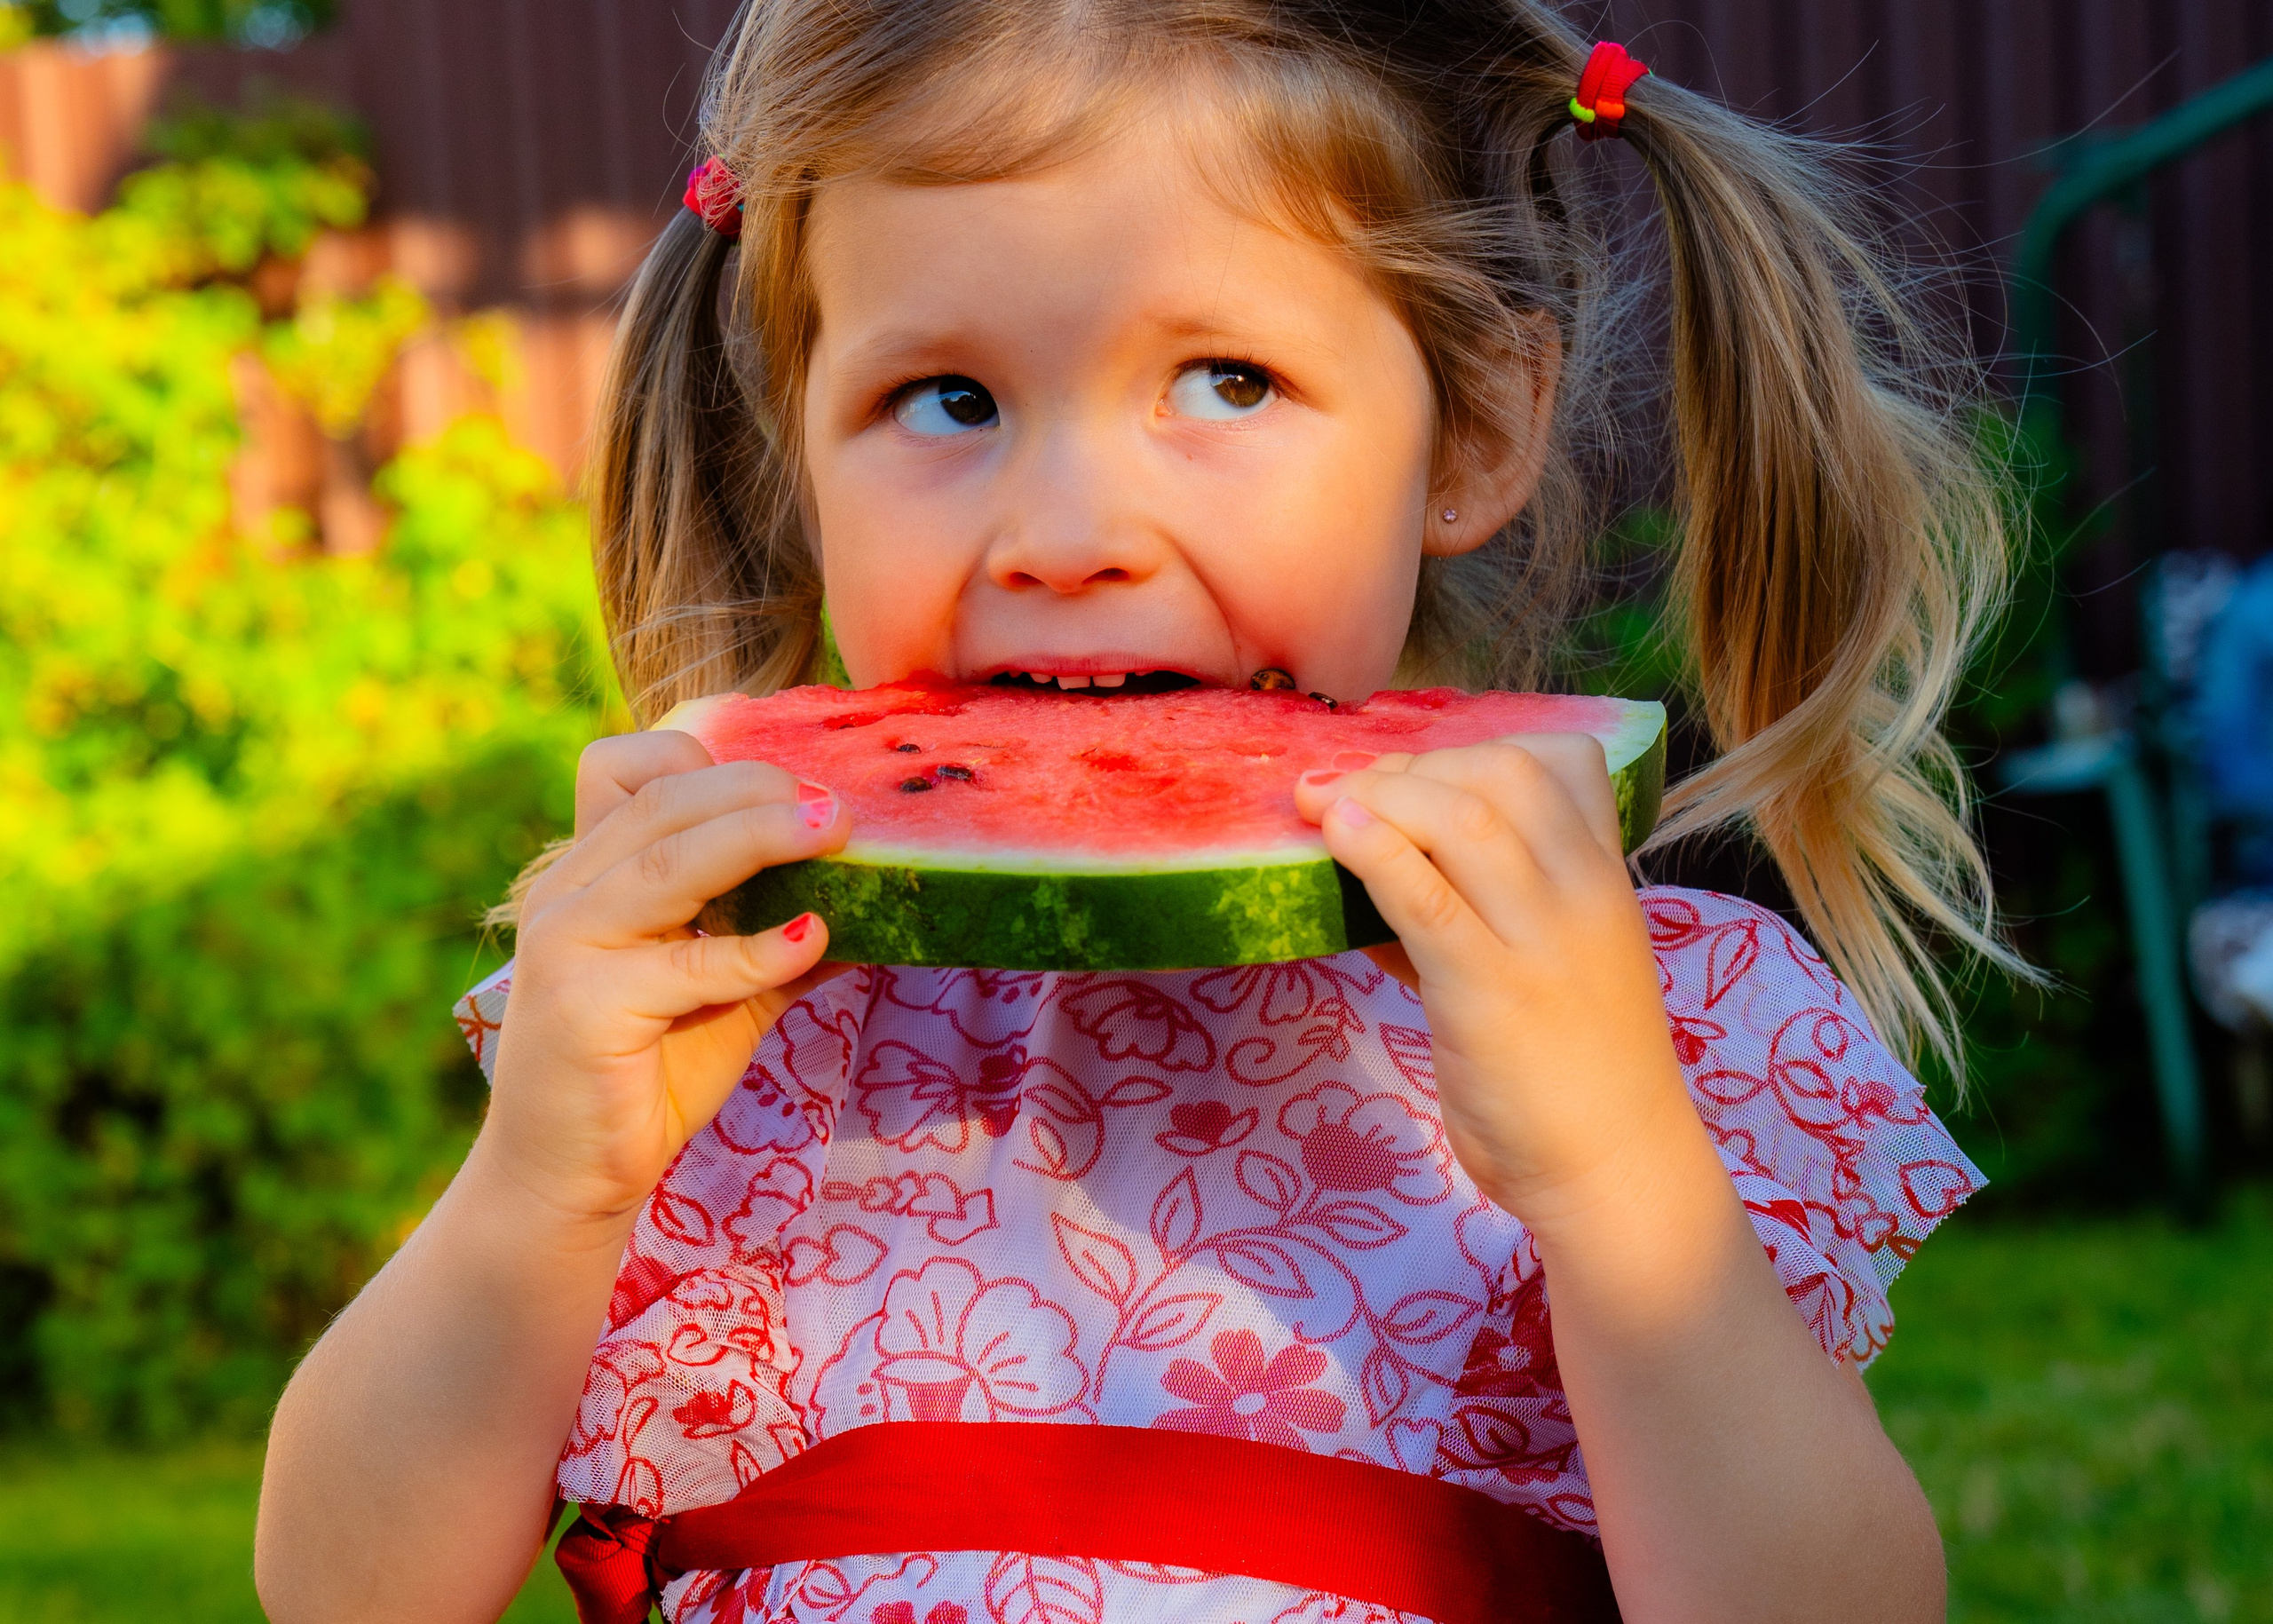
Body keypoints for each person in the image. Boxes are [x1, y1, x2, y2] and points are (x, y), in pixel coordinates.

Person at [255, 5, 2023, 1621]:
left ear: (1475, 425)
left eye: (1225, 381)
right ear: (797, 451)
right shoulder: (725, 1028)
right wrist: (544, 1188)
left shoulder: (1656, 1020)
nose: (1068, 533)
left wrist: (1617, 1177)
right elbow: (343, 1593)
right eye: (944, 399)